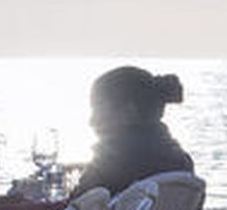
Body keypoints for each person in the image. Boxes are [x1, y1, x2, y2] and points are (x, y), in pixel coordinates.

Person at [71, 66, 194, 197]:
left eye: (99, 110)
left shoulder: (112, 162)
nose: (92, 121)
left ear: (129, 111)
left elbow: (74, 209)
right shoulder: (180, 162)